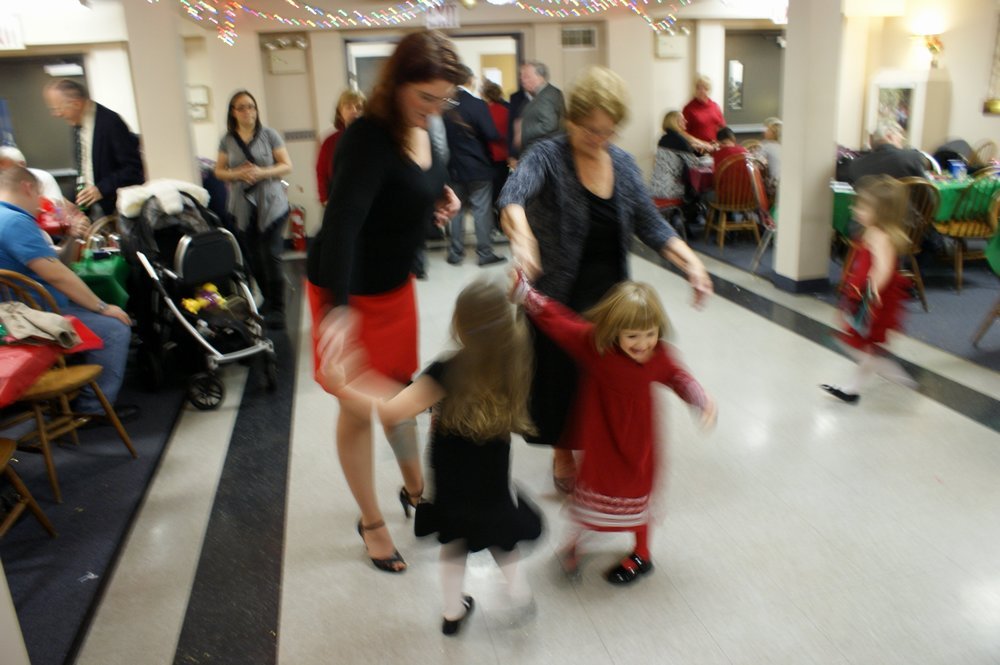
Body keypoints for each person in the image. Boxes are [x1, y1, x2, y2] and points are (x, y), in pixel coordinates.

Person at [498, 66, 713, 494]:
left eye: (608, 131)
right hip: (558, 293)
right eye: (590, 129)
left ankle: (598, 444)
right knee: (559, 378)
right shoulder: (547, 156)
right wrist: (523, 239)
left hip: (610, 297)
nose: (599, 138)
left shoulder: (623, 164)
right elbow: (513, 196)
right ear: (571, 120)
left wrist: (690, 262)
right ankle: (563, 450)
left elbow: (650, 223)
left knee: (605, 378)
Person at [306, 30, 463, 574]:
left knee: (399, 391)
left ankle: (415, 490)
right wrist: (337, 312)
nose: (435, 109)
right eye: (426, 97)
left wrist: (439, 199)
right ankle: (371, 521)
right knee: (358, 408)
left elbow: (421, 182)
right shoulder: (366, 137)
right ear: (396, 84)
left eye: (444, 99)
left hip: (395, 287)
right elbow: (343, 226)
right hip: (348, 287)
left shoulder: (431, 125)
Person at [323, 278, 542, 635]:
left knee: (454, 547)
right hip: (492, 483)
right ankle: (519, 595)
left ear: (460, 324)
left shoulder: (447, 370)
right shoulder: (514, 361)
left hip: (452, 484)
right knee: (502, 540)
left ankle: (453, 613)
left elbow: (394, 410)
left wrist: (345, 385)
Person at [512, 276, 715, 585]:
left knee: (639, 498)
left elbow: (678, 377)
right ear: (614, 331)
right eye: (632, 336)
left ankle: (642, 554)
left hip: (639, 446)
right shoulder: (595, 346)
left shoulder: (658, 356)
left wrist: (699, 399)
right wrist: (526, 293)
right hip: (602, 444)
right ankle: (574, 543)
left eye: (650, 334)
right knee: (588, 497)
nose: (643, 344)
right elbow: (559, 321)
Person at [0, 166, 132, 416]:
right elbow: (57, 275)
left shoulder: (6, 217)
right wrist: (103, 307)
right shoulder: (15, 222)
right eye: (39, 195)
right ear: (28, 188)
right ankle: (93, 410)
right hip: (29, 320)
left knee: (89, 308)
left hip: (15, 316)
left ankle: (74, 396)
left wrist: (72, 237)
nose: (41, 205)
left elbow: (57, 266)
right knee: (115, 328)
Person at [822, 176, 915, 404]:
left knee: (862, 346)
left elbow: (883, 268)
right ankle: (857, 387)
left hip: (873, 300)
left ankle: (890, 377)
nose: (856, 210)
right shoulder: (871, 232)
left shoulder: (881, 237)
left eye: (863, 207)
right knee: (864, 347)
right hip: (864, 296)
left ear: (881, 212)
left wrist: (869, 295)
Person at [214, 90, 293, 330]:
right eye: (242, 107)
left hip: (272, 203)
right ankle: (267, 299)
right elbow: (219, 171)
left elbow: (286, 165)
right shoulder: (227, 140)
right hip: (243, 205)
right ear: (233, 112)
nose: (248, 111)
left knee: (270, 253)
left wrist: (261, 172)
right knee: (253, 256)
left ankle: (278, 307)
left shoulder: (269, 135)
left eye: (251, 106)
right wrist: (237, 174)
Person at [42, 79, 145, 219]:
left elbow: (133, 169)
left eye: (57, 109)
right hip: (91, 208)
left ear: (76, 104)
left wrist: (101, 189)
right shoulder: (76, 125)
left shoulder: (110, 122)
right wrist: (72, 201)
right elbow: (84, 169)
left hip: (116, 208)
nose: (56, 114)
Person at [443, 65, 504, 267]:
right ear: (470, 80)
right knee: (481, 210)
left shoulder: (445, 106)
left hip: (454, 167)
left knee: (456, 210)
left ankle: (455, 253)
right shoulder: (477, 104)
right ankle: (484, 253)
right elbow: (491, 133)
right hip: (478, 167)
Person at [315, 89, 366, 206]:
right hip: (339, 200)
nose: (354, 111)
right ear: (340, 112)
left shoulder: (375, 138)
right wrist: (325, 199)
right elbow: (321, 172)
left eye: (359, 107)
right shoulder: (330, 141)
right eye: (348, 107)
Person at [843, 122, 927, 184]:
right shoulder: (913, 158)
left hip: (872, 203)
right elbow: (928, 195)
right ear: (890, 136)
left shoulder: (856, 165)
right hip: (904, 203)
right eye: (900, 140)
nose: (901, 145)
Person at [518, 61, 565, 152]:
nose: (522, 80)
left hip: (545, 152)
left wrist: (522, 132)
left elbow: (549, 125)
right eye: (521, 77)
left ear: (540, 77)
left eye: (526, 76)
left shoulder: (547, 95)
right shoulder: (542, 94)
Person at [481, 80, 510, 215]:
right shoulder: (506, 111)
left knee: (488, 191)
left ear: (486, 95)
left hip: (488, 155)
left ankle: (492, 217)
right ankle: (501, 216)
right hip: (503, 155)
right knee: (502, 187)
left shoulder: (483, 112)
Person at [682, 75, 725, 147]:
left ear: (709, 90)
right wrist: (701, 143)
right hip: (698, 148)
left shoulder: (715, 106)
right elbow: (683, 132)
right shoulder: (688, 108)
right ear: (695, 90)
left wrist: (719, 143)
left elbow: (722, 127)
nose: (702, 91)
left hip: (715, 147)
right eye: (698, 88)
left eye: (705, 88)